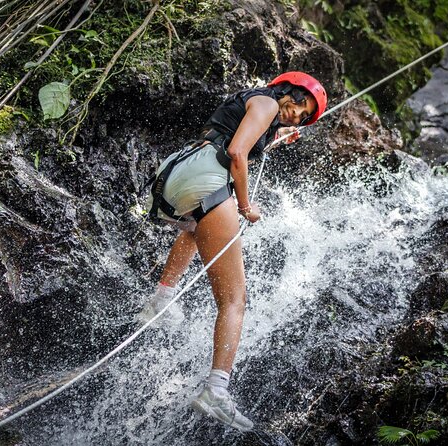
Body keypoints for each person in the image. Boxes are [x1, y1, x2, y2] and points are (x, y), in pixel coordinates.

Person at [140, 72, 327, 431]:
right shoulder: (269, 102)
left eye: (305, 117)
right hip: (208, 178)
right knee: (234, 300)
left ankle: (161, 298)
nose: (298, 115)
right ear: (292, 90)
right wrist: (244, 205)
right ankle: (216, 390)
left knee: (197, 229)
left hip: (177, 174)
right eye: (302, 105)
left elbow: (238, 140)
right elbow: (237, 153)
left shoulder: (255, 102)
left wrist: (275, 135)